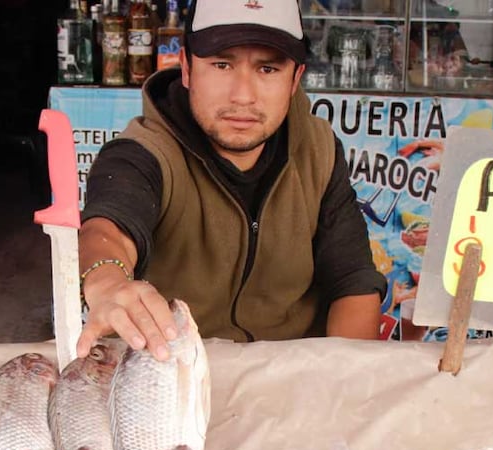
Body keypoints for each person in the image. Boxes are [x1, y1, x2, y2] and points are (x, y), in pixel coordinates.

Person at [76, 0, 386, 361]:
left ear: (295, 79)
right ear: (187, 68)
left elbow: (353, 281)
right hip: (174, 373)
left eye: (267, 69)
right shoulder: (144, 153)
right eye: (222, 65)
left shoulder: (319, 150)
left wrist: (346, 383)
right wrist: (107, 280)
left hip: (294, 373)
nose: (243, 95)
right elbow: (109, 227)